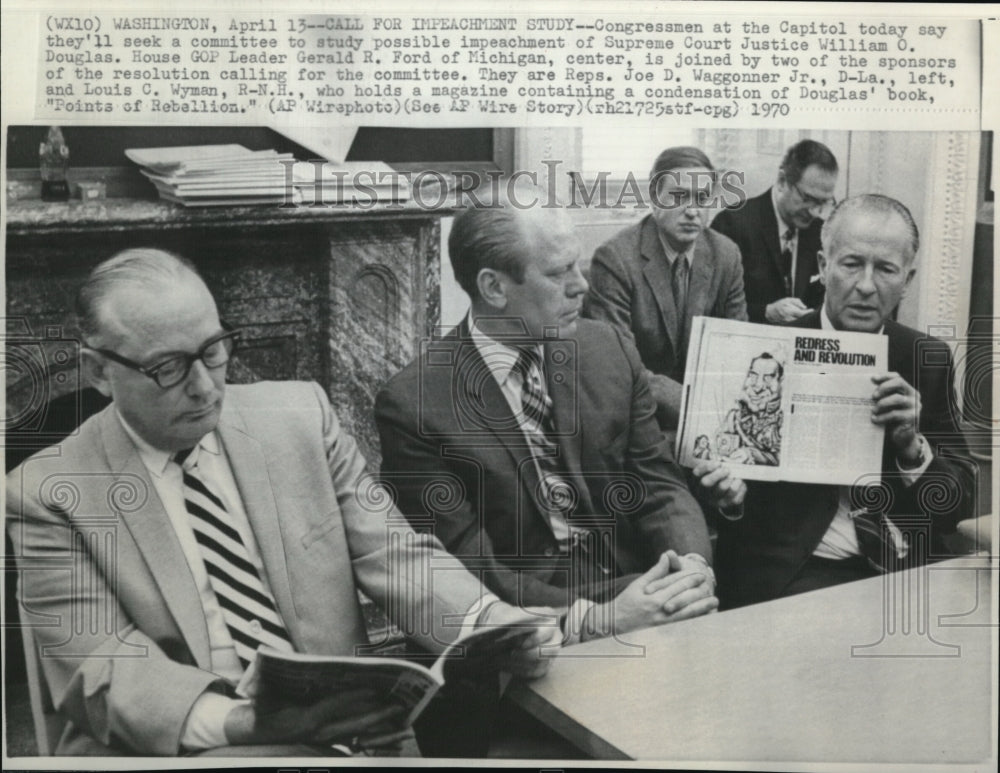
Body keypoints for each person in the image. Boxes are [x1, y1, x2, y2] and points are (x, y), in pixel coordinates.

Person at [5, 249, 558, 757]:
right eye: (167, 368)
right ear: (99, 371)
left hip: (349, 736)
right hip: (180, 746)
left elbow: (397, 556)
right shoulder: (46, 493)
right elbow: (104, 667)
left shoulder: (299, 416)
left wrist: (491, 624)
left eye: (213, 350)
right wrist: (247, 723)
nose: (204, 387)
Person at [376, 196, 746, 648]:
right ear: (494, 288)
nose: (582, 287)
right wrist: (599, 619)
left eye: (579, 266)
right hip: (526, 628)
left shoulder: (606, 348)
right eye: (558, 273)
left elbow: (659, 484)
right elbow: (466, 569)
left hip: (641, 587)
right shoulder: (414, 405)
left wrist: (691, 566)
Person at [713, 195, 977, 608]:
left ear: (907, 279)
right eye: (852, 264)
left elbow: (955, 507)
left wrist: (912, 450)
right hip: (794, 573)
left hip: (900, 570)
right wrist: (728, 499)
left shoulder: (926, 359)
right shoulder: (765, 354)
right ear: (822, 266)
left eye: (886, 269)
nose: (867, 285)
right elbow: (722, 501)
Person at [586, 146, 748, 427]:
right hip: (636, 419)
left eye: (702, 198)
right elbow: (618, 368)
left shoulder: (726, 254)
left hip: (708, 418)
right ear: (653, 196)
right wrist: (691, 403)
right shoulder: (615, 259)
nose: (693, 211)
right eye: (679, 196)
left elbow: (737, 349)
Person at [712, 139, 838, 325]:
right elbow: (711, 306)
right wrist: (766, 313)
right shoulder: (731, 224)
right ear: (782, 181)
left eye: (823, 202)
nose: (814, 211)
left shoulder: (821, 231)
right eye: (808, 198)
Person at [715, 353, 784, 466]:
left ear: (780, 381)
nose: (758, 385)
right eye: (753, 376)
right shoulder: (734, 417)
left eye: (769, 377)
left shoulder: (783, 420)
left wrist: (751, 454)